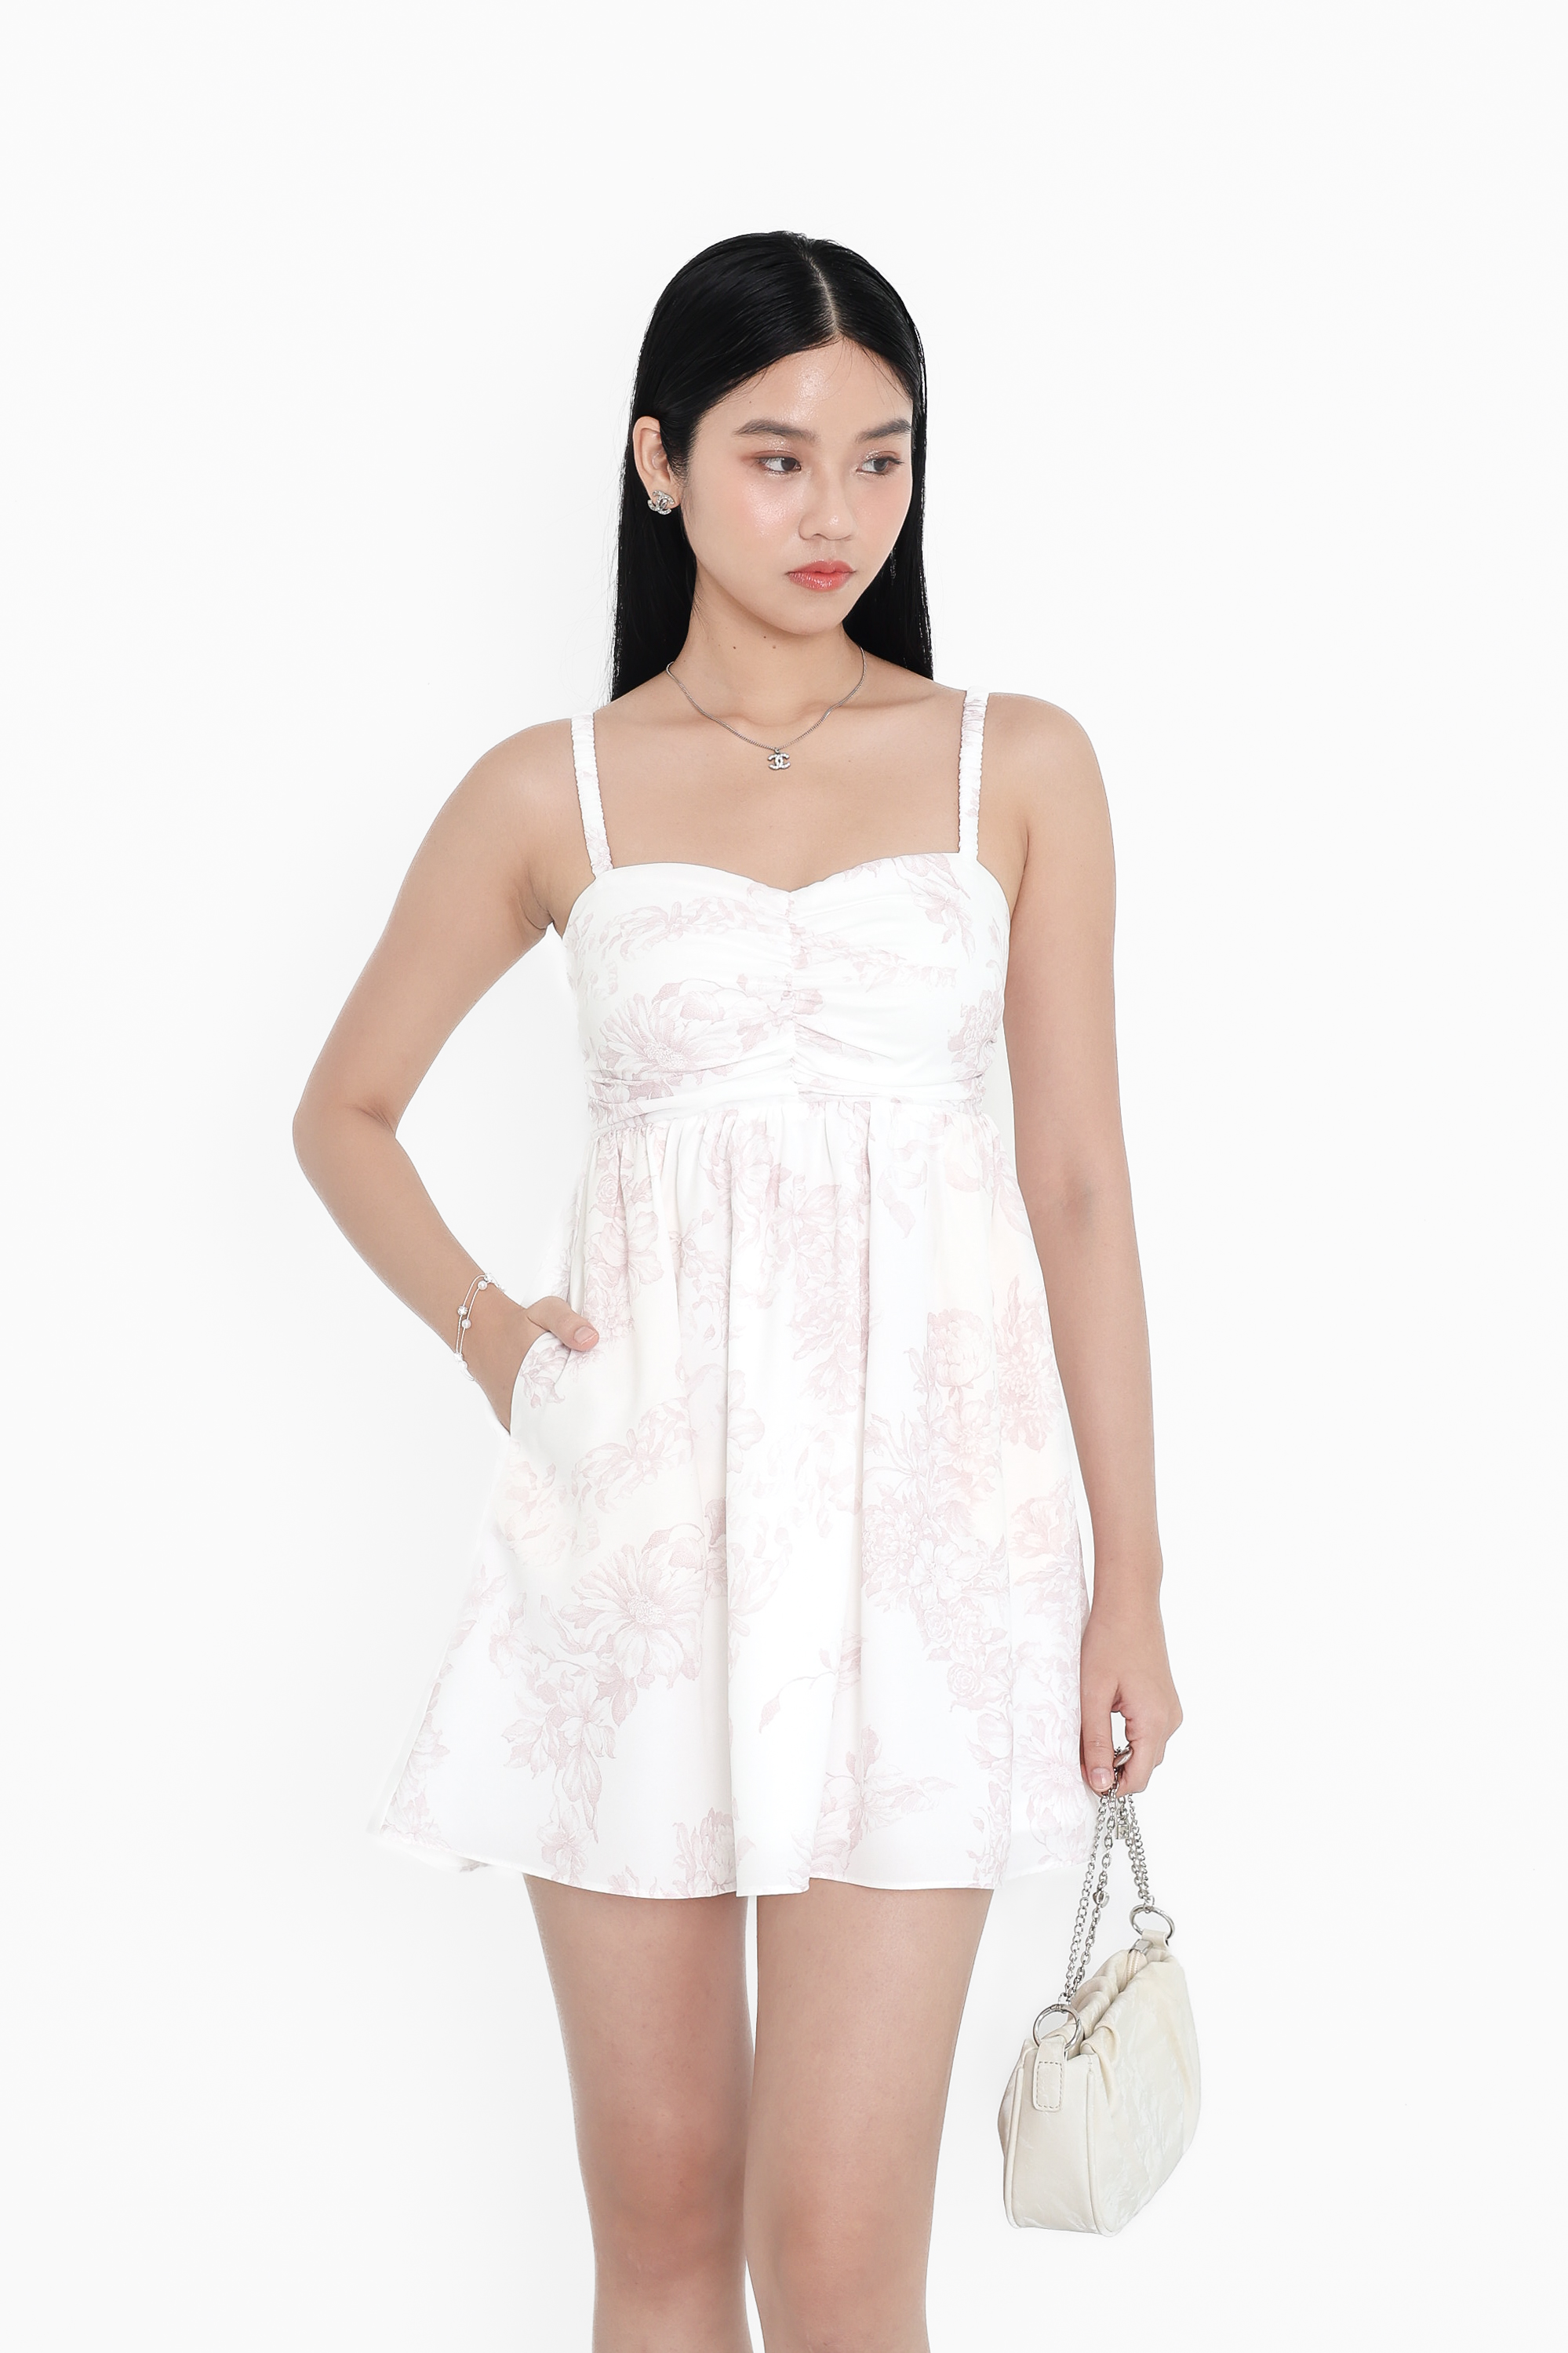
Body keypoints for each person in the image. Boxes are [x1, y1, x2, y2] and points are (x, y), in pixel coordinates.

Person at [293, 228, 1182, 2353]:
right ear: (661, 462)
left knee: (844, 2255)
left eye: (882, 458)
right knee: (667, 2224)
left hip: (931, 1554)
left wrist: (1130, 1578)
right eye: (777, 457)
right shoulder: (555, 790)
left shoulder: (1017, 765)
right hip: (633, 1546)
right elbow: (344, 1113)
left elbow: (1076, 1185)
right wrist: (493, 1337)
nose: (835, 511)